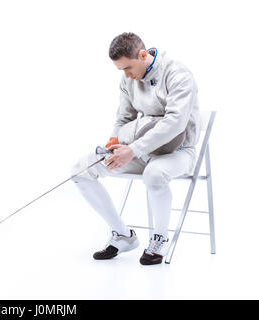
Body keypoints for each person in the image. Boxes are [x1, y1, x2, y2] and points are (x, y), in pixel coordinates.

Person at [70, 32, 201, 265]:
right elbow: (123, 118)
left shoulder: (177, 74)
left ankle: (159, 239)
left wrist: (133, 149)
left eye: (128, 67)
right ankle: (123, 235)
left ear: (143, 55)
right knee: (82, 170)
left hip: (178, 152)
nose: (127, 75)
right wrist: (113, 144)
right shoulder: (128, 79)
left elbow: (176, 122)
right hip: (141, 150)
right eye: (121, 70)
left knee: (155, 173)